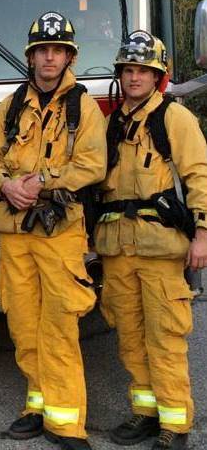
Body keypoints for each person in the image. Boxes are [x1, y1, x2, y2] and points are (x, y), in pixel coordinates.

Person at [0, 11, 106, 450]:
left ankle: (66, 424)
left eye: (58, 50)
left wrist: (43, 181)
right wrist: (6, 186)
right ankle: (37, 405)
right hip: (15, 231)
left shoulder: (83, 107)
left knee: (59, 326)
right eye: (42, 50)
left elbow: (92, 164)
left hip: (60, 231)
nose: (49, 58)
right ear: (31, 56)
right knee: (23, 323)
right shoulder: (11, 106)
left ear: (69, 57)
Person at [95, 30, 207, 450]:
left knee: (165, 337)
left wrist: (202, 234)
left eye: (143, 70)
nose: (134, 77)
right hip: (117, 248)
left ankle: (175, 423)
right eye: (128, 69)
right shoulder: (111, 125)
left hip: (160, 248)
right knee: (129, 336)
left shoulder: (174, 119)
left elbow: (199, 176)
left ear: (158, 76)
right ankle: (145, 412)